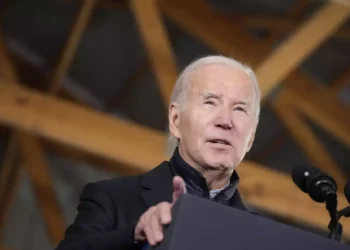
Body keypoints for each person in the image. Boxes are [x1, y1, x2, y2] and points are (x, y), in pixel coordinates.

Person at [55, 55, 260, 250]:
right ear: (175, 120)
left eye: (240, 109)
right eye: (210, 102)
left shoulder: (261, 238)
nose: (225, 121)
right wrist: (136, 236)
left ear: (250, 137)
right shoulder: (111, 198)